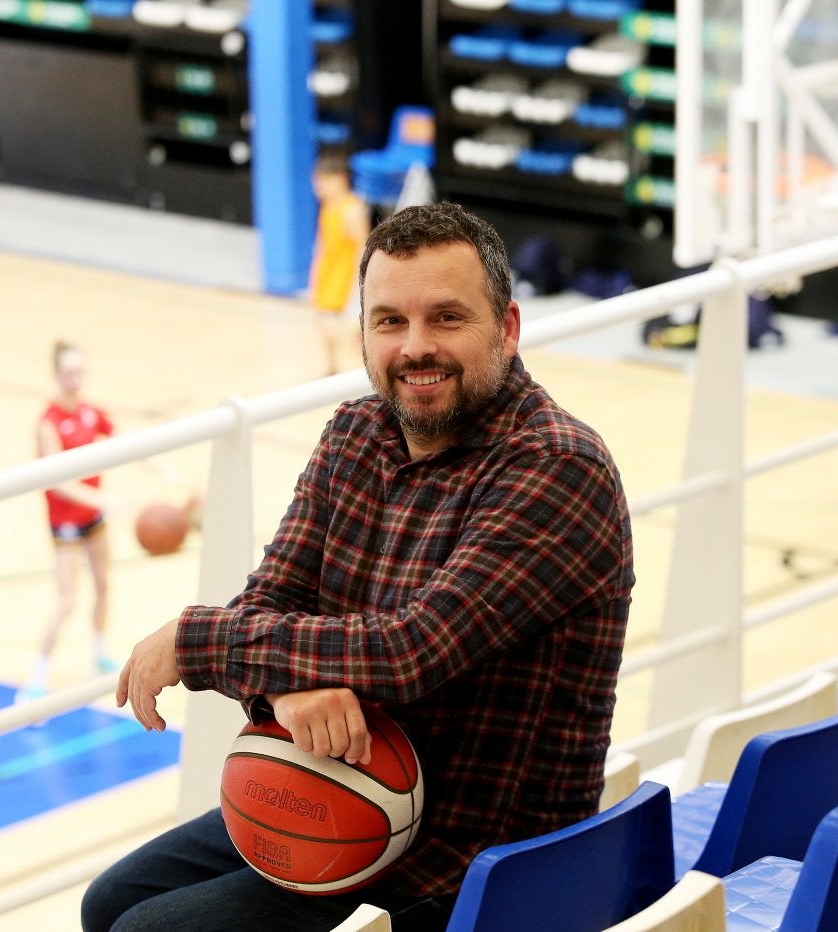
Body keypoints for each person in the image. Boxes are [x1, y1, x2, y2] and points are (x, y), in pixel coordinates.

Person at [83, 202, 634, 932]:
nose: (416, 348)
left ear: (506, 328)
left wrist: (194, 639)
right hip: (341, 793)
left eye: (446, 318)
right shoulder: (357, 431)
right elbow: (267, 602)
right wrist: (284, 696)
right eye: (390, 322)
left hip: (473, 865)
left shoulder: (558, 468)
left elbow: (410, 651)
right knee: (109, 902)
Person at [20, 339, 118, 702]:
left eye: (79, 372)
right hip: (65, 522)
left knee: (104, 584)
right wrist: (103, 499)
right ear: (56, 375)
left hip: (94, 518)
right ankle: (38, 674)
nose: (74, 379)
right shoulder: (48, 424)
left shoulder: (93, 413)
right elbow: (60, 484)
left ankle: (99, 651)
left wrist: (164, 470)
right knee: (67, 599)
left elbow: (127, 443)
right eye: (67, 373)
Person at [309, 153, 371, 375]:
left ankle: (363, 375)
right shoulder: (328, 206)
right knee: (325, 327)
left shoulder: (351, 210)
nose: (318, 187)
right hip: (329, 276)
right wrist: (315, 276)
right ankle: (332, 369)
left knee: (342, 333)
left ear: (340, 179)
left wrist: (357, 288)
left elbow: (363, 249)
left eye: (323, 181)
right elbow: (322, 244)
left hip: (345, 280)